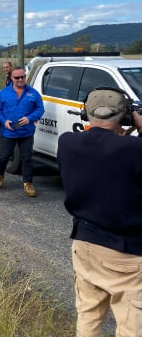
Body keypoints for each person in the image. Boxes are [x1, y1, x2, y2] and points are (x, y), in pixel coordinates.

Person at [57, 88, 142, 336]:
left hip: (84, 244)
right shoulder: (133, 149)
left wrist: (121, 136)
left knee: (89, 316)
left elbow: (102, 149)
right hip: (125, 251)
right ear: (124, 116)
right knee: (130, 326)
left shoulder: (67, 141)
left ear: (86, 113)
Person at [0, 66, 44, 197]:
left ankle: (28, 183)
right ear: (12, 78)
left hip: (26, 132)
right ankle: (0, 173)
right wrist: (4, 121)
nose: (21, 79)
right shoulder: (3, 93)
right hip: (8, 132)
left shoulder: (33, 93)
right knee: (3, 157)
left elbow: (40, 109)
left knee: (26, 158)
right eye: (17, 77)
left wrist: (30, 118)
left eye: (23, 77)